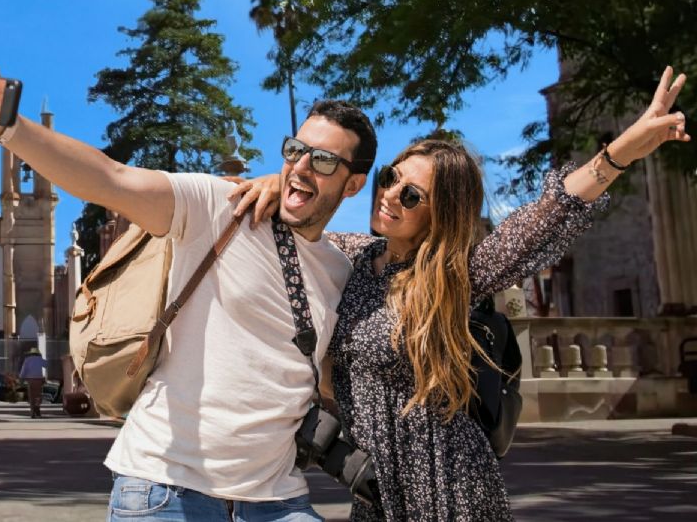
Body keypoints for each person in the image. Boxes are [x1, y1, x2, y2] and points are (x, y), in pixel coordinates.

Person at [233, 66, 689, 520]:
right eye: (391, 178)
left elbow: (550, 214)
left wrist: (622, 151)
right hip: (373, 488)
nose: (390, 195)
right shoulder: (350, 256)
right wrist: (279, 180)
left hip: (450, 488)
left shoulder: (456, 275)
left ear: (440, 212)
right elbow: (303, 221)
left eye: (411, 196)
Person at [0, 64, 374, 521]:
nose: (301, 167)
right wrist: (12, 129)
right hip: (166, 490)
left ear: (353, 184)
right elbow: (111, 178)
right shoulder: (220, 207)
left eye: (324, 160)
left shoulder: (342, 269)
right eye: (296, 151)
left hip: (276, 498)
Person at [19, 347, 47, 418]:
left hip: (30, 380)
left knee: (31, 397)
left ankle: (32, 412)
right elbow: (46, 365)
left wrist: (21, 378)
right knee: (38, 396)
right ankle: (37, 410)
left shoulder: (27, 360)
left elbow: (23, 370)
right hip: (38, 380)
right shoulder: (40, 359)